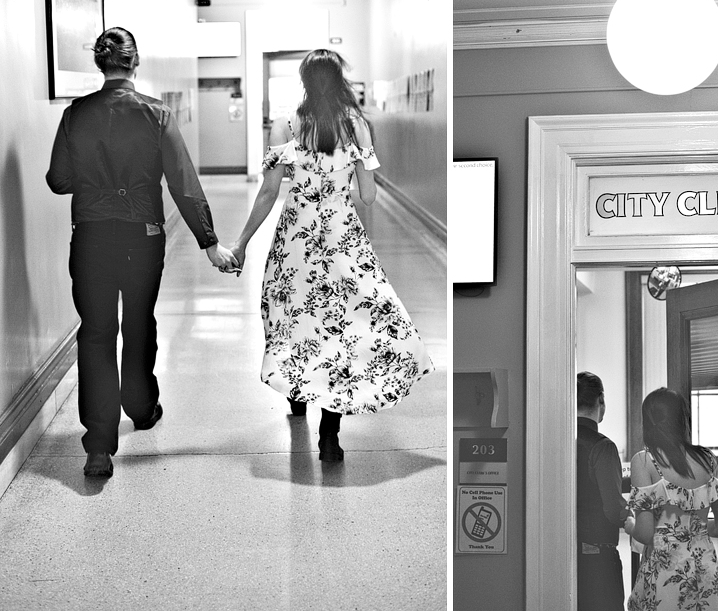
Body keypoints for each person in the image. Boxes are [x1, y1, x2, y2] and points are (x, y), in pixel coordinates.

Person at [46, 27, 237, 478]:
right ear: (136, 63)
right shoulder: (156, 114)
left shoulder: (76, 114)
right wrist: (209, 242)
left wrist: (91, 177)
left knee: (95, 332)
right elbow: (183, 184)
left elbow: (58, 179)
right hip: (143, 237)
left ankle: (98, 447)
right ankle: (141, 405)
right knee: (137, 321)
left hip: (91, 235)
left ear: (100, 64)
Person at [228, 49, 433, 462]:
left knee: (292, 316)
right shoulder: (357, 126)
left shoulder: (285, 125)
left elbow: (269, 192)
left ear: (304, 82)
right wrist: (337, 190)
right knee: (342, 328)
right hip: (342, 238)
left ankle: (298, 397)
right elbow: (370, 196)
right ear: (339, 80)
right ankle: (329, 436)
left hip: (296, 239)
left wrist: (242, 243)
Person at [626, 388, 718, 611]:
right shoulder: (708, 459)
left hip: (664, 581)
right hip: (706, 578)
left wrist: (629, 526)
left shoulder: (645, 461)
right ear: (683, 419)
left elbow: (645, 533)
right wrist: (693, 528)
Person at [576, 371, 633, 611]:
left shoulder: (560, 441)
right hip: (598, 562)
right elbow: (612, 509)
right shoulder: (603, 447)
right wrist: (633, 516)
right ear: (601, 400)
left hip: (569, 557)